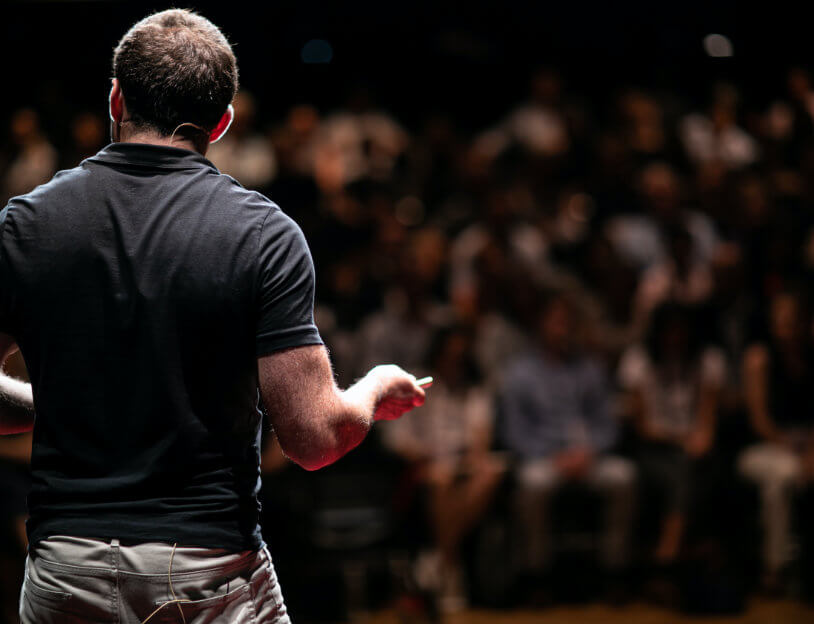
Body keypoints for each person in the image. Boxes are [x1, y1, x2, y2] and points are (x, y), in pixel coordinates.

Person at [0, 9, 425, 623]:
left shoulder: (25, 226)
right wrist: (374, 386)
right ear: (222, 122)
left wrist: (70, 403)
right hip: (203, 571)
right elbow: (312, 439)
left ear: (115, 97)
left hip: (66, 569)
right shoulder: (262, 235)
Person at [499, 294, 636, 580]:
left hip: (588, 457)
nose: (562, 328)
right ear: (540, 324)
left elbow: (607, 424)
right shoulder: (520, 374)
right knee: (533, 484)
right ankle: (536, 573)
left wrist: (589, 452)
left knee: (625, 477)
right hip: (545, 458)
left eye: (567, 322)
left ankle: (615, 568)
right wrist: (553, 456)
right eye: (556, 321)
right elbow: (515, 433)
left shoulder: (590, 370)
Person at [737, 290, 814, 592]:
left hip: (806, 445)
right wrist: (799, 451)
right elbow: (759, 422)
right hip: (763, 447)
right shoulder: (760, 359)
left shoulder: (809, 356)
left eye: (791, 320)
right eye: (779, 320)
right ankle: (775, 567)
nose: (785, 327)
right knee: (783, 476)